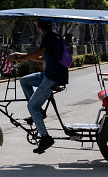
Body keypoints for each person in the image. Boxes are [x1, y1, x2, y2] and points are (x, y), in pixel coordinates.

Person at [7, 20, 68, 154]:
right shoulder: (54, 37)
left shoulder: (49, 37)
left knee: (31, 106)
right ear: (51, 25)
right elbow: (43, 57)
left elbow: (39, 53)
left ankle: (45, 137)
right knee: (25, 81)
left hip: (53, 77)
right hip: (50, 74)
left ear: (38, 27)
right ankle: (39, 112)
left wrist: (18, 59)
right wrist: (22, 56)